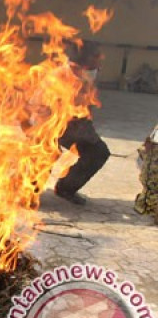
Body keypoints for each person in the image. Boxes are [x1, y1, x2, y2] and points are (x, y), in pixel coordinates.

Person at [52, 40, 110, 205]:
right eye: (96, 56)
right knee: (45, 151)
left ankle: (66, 188)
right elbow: (37, 110)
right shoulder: (58, 77)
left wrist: (86, 130)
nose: (100, 59)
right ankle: (29, 191)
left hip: (75, 124)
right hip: (46, 125)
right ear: (81, 62)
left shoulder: (90, 73)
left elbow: (87, 104)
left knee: (98, 152)